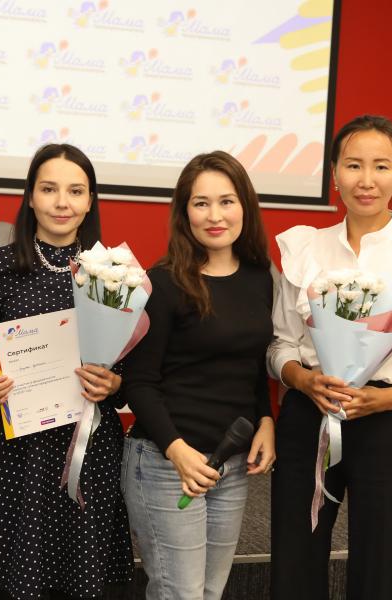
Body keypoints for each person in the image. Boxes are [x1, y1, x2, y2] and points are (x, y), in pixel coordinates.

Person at [268, 114, 392, 599]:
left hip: (390, 420)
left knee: (386, 569)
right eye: (353, 165)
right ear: (334, 175)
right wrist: (302, 380)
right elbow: (280, 347)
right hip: (310, 415)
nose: (366, 179)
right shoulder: (304, 249)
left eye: (381, 166)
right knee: (295, 565)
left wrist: (387, 399)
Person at [0, 143, 133, 599]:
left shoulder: (114, 274)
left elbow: (130, 364)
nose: (62, 202)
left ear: (90, 200)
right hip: (14, 449)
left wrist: (115, 382)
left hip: (88, 448)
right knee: (9, 571)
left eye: (75, 191)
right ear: (30, 197)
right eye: (49, 189)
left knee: (77, 568)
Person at [121, 151, 276, 600]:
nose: (214, 215)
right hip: (166, 461)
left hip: (231, 464)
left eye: (226, 201)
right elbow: (138, 382)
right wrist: (177, 451)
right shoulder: (163, 282)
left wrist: (266, 420)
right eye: (201, 203)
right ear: (184, 212)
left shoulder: (260, 278)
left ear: (245, 206)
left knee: (209, 592)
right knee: (180, 594)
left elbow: (253, 366)